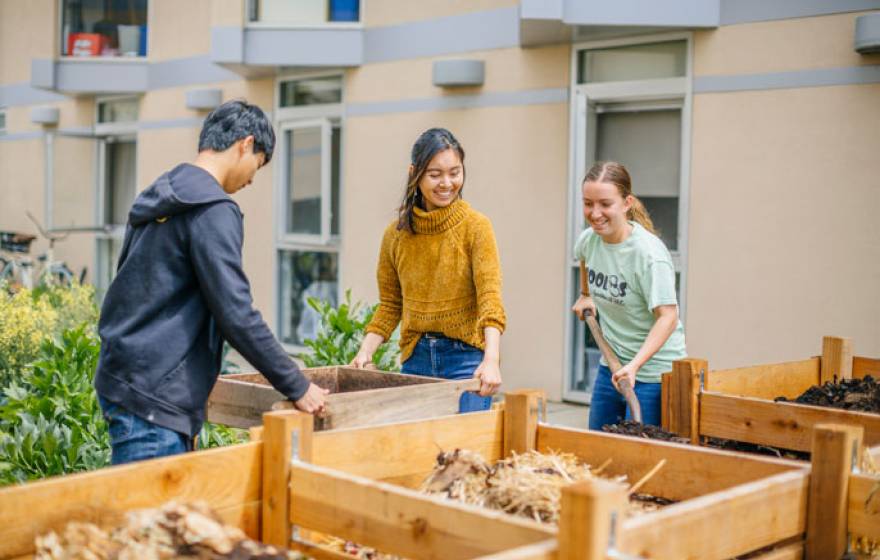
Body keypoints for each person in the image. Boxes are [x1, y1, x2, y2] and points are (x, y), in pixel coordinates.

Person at [95, 100, 328, 465]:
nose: (251, 180)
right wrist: (297, 385)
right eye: (257, 166)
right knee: (153, 504)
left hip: (125, 379)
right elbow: (235, 313)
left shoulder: (159, 196)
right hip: (156, 397)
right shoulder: (213, 210)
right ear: (245, 145)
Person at [351, 128, 505, 412]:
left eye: (455, 172)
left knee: (466, 440)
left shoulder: (476, 227)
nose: (447, 183)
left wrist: (491, 360)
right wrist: (365, 351)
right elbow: (390, 305)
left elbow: (490, 300)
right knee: (416, 441)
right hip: (416, 359)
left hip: (466, 360)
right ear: (415, 174)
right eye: (435, 174)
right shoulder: (396, 236)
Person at [571, 161, 686, 429]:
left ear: (626, 203)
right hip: (611, 365)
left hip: (653, 374)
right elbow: (584, 258)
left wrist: (634, 366)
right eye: (588, 203)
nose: (595, 213)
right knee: (598, 443)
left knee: (640, 448)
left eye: (605, 204)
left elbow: (668, 317)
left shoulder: (648, 255)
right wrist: (585, 294)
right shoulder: (590, 240)